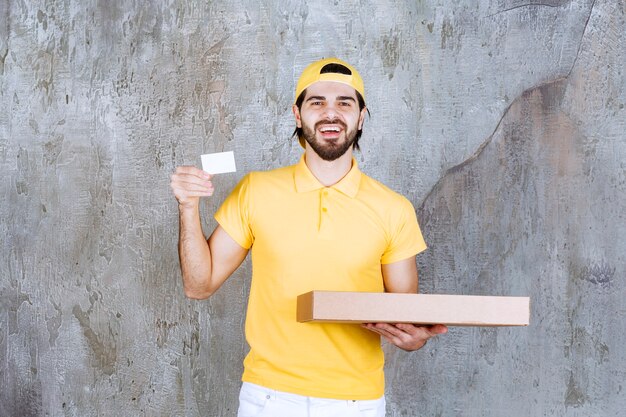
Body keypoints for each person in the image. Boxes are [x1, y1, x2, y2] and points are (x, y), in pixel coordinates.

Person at [170, 57, 447, 417]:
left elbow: (403, 315)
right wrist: (188, 208)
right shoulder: (256, 190)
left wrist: (413, 339)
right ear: (297, 115)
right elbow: (198, 285)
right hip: (267, 398)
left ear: (361, 116)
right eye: (317, 102)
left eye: (344, 103)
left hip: (356, 402)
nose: (331, 113)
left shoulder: (394, 209)